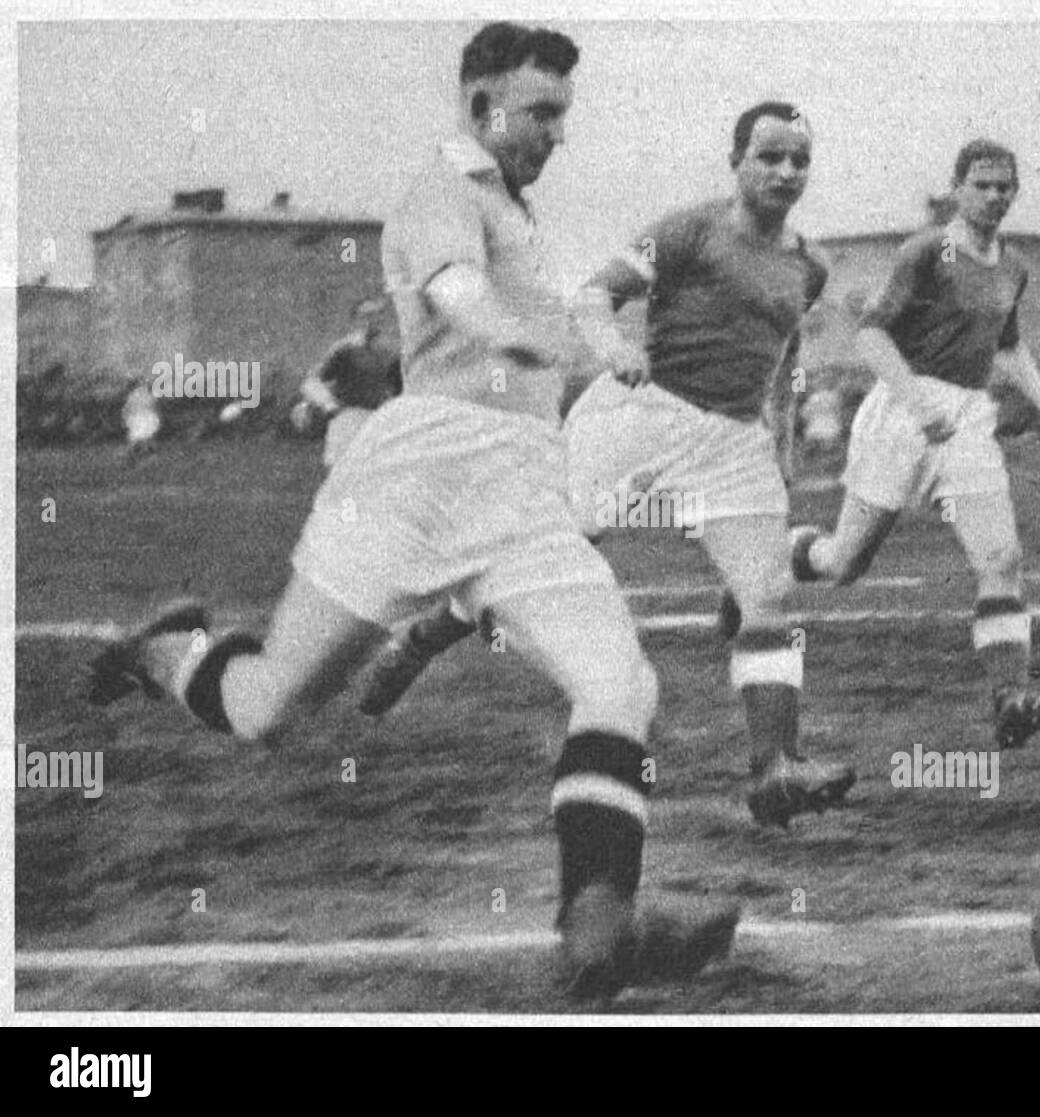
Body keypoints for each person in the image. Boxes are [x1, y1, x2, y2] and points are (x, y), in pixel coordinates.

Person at [87, 21, 738, 1001]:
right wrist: (521, 339)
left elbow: (521, 307)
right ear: (482, 107)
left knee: (619, 683)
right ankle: (162, 653)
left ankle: (598, 915)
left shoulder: (516, 209)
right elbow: (455, 289)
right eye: (540, 112)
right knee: (269, 706)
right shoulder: (442, 190)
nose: (556, 133)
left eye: (564, 113)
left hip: (522, 486)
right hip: (417, 476)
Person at [562, 102, 855, 828]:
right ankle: (430, 629)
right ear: (736, 160)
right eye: (771, 156)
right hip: (642, 415)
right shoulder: (688, 230)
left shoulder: (809, 265)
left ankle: (774, 768)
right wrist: (614, 346)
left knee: (768, 595)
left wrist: (781, 453)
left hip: (733, 441)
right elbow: (595, 295)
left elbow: (786, 360)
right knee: (548, 554)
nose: (787, 171)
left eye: (800, 160)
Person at [791, 139, 1040, 749]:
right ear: (957, 188)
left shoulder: (1014, 267)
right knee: (843, 567)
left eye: (1005, 186)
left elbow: (1007, 344)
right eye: (982, 185)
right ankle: (783, 559)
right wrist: (918, 404)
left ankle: (1011, 698)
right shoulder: (927, 250)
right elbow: (870, 336)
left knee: (1001, 561)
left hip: (970, 417)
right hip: (902, 408)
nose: (995, 196)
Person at [296, 299, 403, 467]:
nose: (372, 320)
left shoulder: (391, 351)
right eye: (366, 316)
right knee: (342, 480)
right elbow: (311, 381)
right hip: (348, 420)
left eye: (377, 315)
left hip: (379, 422)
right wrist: (328, 405)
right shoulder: (344, 350)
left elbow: (399, 387)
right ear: (356, 320)